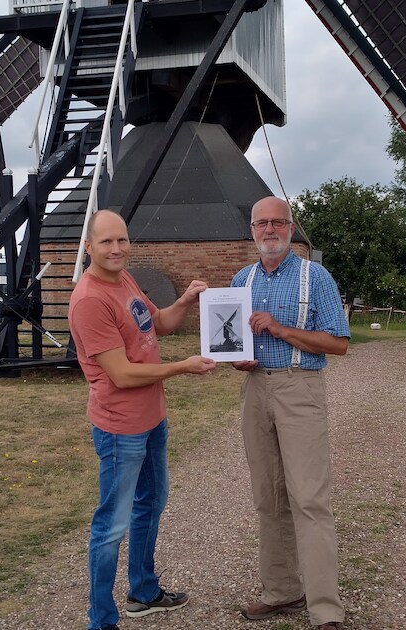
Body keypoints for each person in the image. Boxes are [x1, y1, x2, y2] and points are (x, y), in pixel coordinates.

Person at [68, 209, 217, 630]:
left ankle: (144, 591)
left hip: (152, 420)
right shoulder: (90, 299)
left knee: (151, 503)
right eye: (106, 242)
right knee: (111, 525)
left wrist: (185, 301)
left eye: (122, 240)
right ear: (89, 247)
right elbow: (121, 374)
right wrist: (182, 367)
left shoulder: (125, 280)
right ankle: (101, 620)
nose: (116, 248)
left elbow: (158, 324)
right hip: (121, 429)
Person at [230, 196, 350, 630]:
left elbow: (338, 343)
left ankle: (325, 609)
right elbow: (231, 338)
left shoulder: (315, 277)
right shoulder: (240, 279)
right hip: (255, 388)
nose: (269, 230)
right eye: (261, 223)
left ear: (291, 228)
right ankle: (282, 591)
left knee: (310, 499)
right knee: (268, 497)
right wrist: (236, 358)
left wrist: (280, 329)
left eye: (277, 222)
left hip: (300, 388)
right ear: (251, 230)